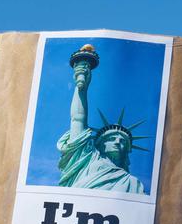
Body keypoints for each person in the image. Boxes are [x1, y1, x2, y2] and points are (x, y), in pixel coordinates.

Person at [58, 44, 147, 193]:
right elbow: (77, 119)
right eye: (112, 138)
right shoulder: (86, 159)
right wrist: (82, 88)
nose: (118, 142)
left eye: (123, 141)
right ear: (99, 144)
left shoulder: (133, 184)